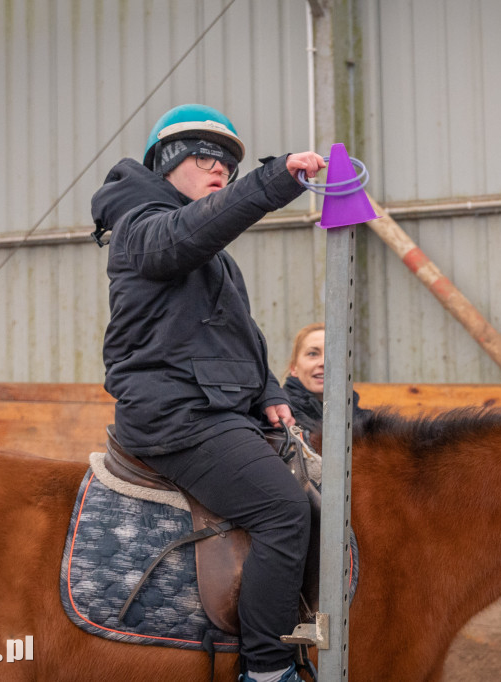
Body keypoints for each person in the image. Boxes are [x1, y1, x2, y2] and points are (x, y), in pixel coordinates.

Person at [92, 103, 326, 682]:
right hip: (175, 416)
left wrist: (267, 390)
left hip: (214, 408)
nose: (219, 168)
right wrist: (271, 181)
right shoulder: (140, 228)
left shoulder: (211, 257)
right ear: (166, 164)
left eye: (227, 162)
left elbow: (238, 334)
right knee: (284, 510)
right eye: (204, 157)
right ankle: (267, 671)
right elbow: (178, 238)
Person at [283, 322, 370, 435]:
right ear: (294, 368)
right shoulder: (279, 417)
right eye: (313, 354)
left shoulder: (367, 422)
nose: (324, 363)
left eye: (334, 354)